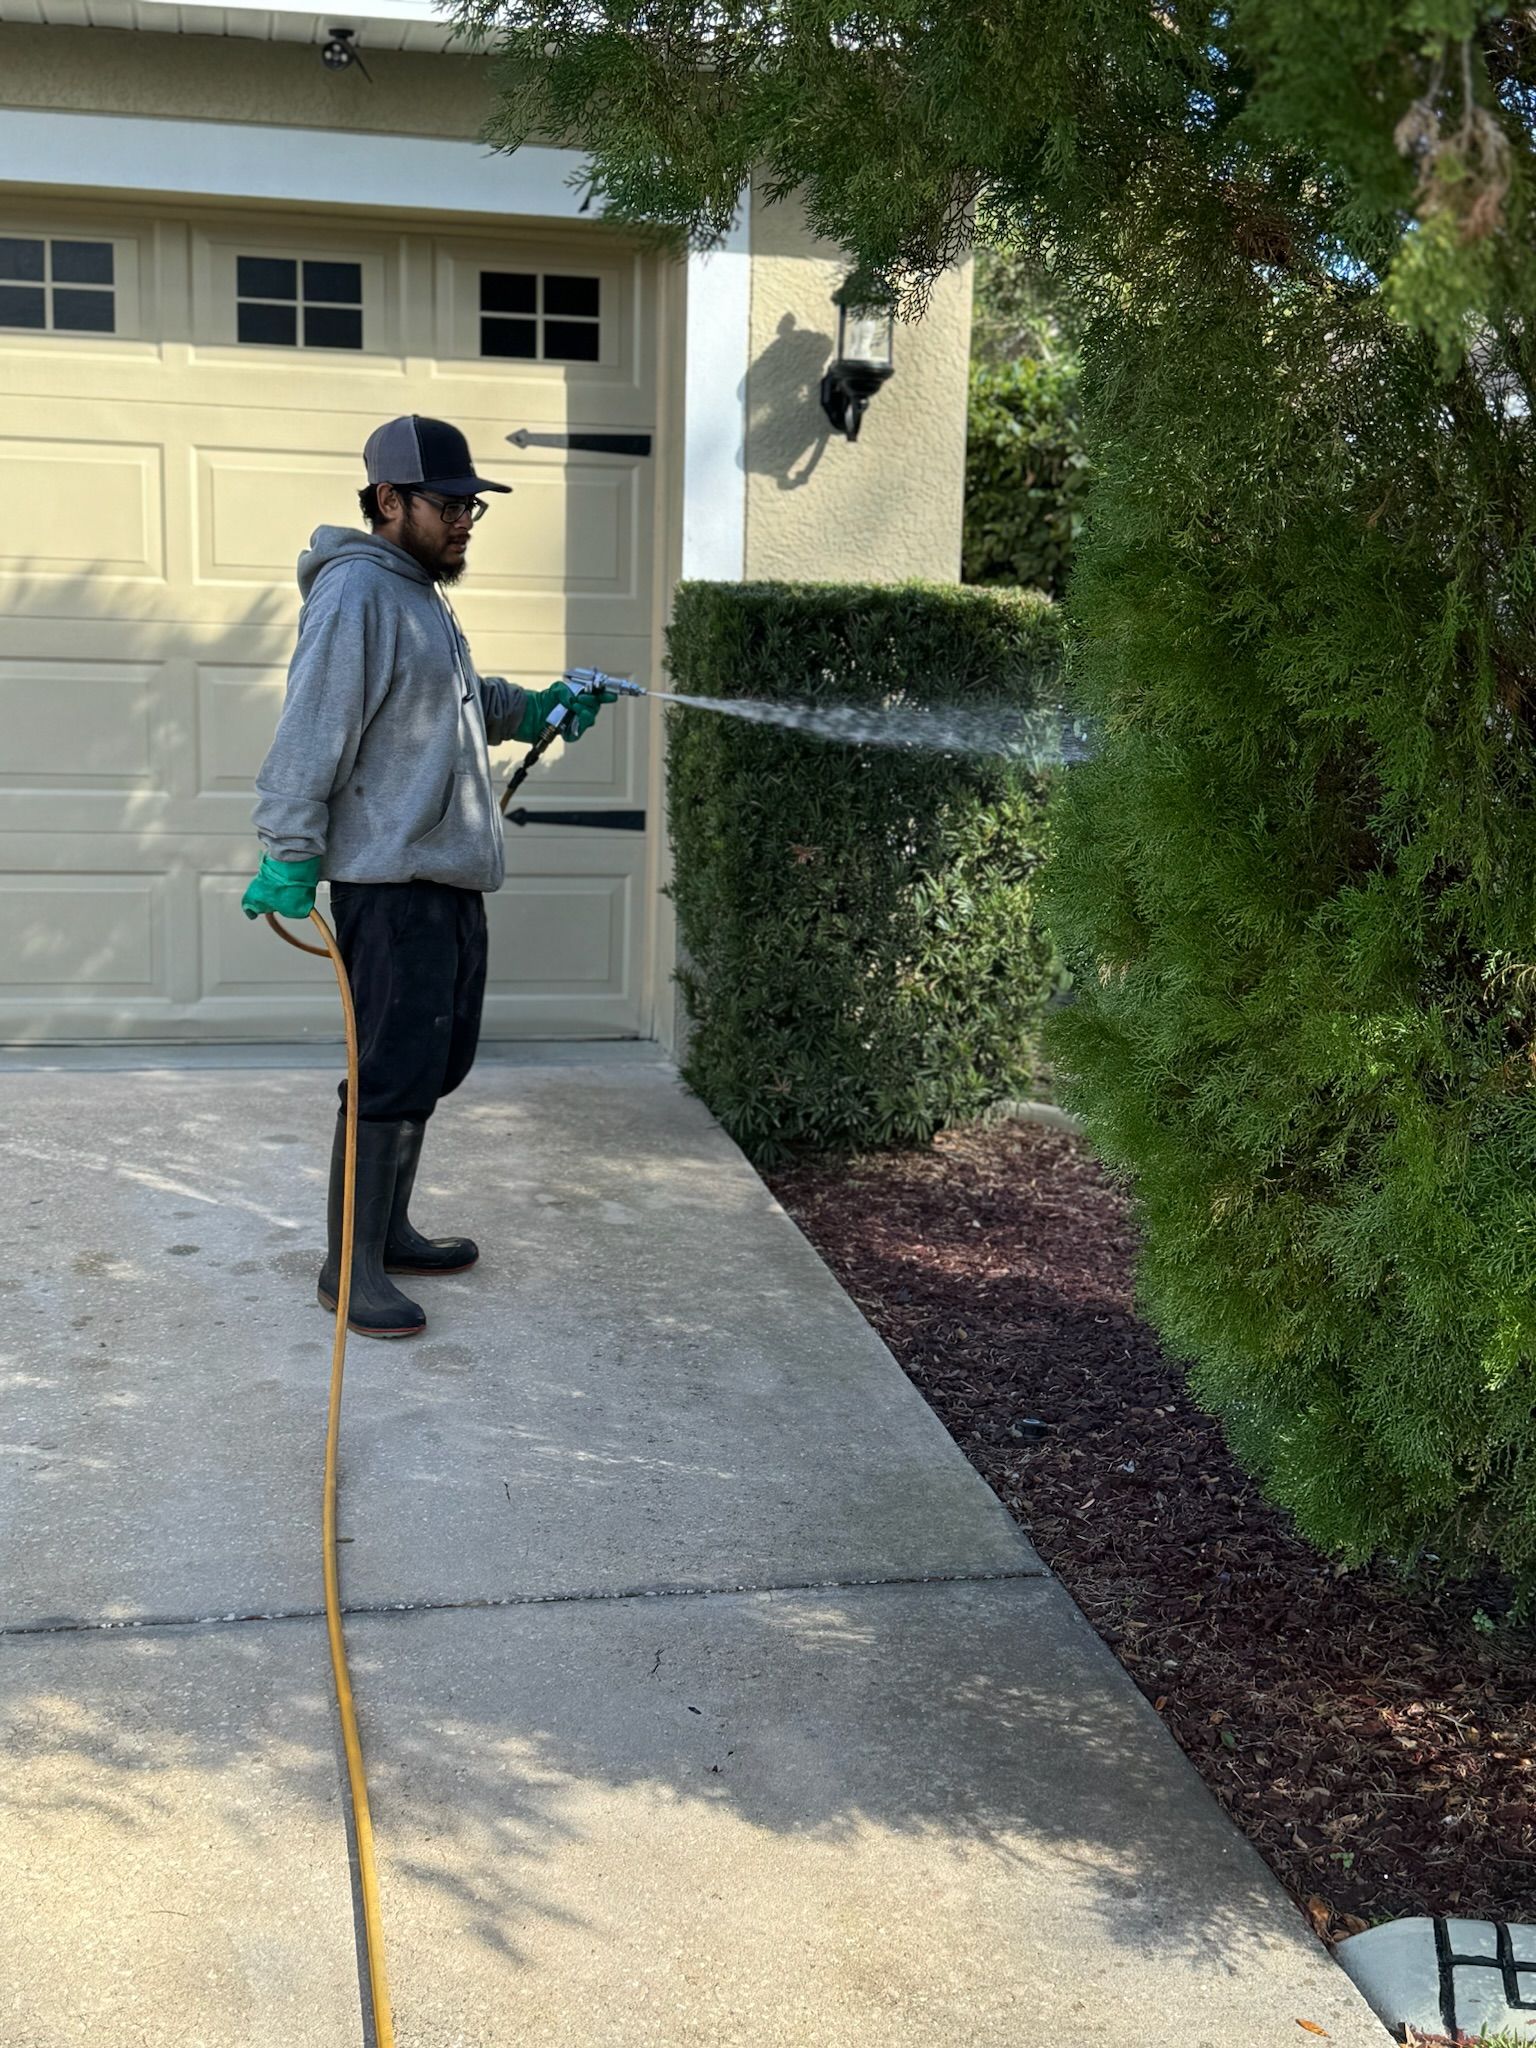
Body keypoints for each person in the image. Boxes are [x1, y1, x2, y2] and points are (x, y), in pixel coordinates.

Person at [241, 414, 612, 1339]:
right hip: (391, 883)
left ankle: (390, 1234)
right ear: (388, 500)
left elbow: (453, 703)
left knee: (433, 1064)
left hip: (443, 879)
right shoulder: (357, 593)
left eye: (471, 507)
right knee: (389, 1072)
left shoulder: (418, 595)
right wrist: (289, 848)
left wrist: (539, 705)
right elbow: (312, 727)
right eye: (447, 505)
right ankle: (349, 1270)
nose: (463, 521)